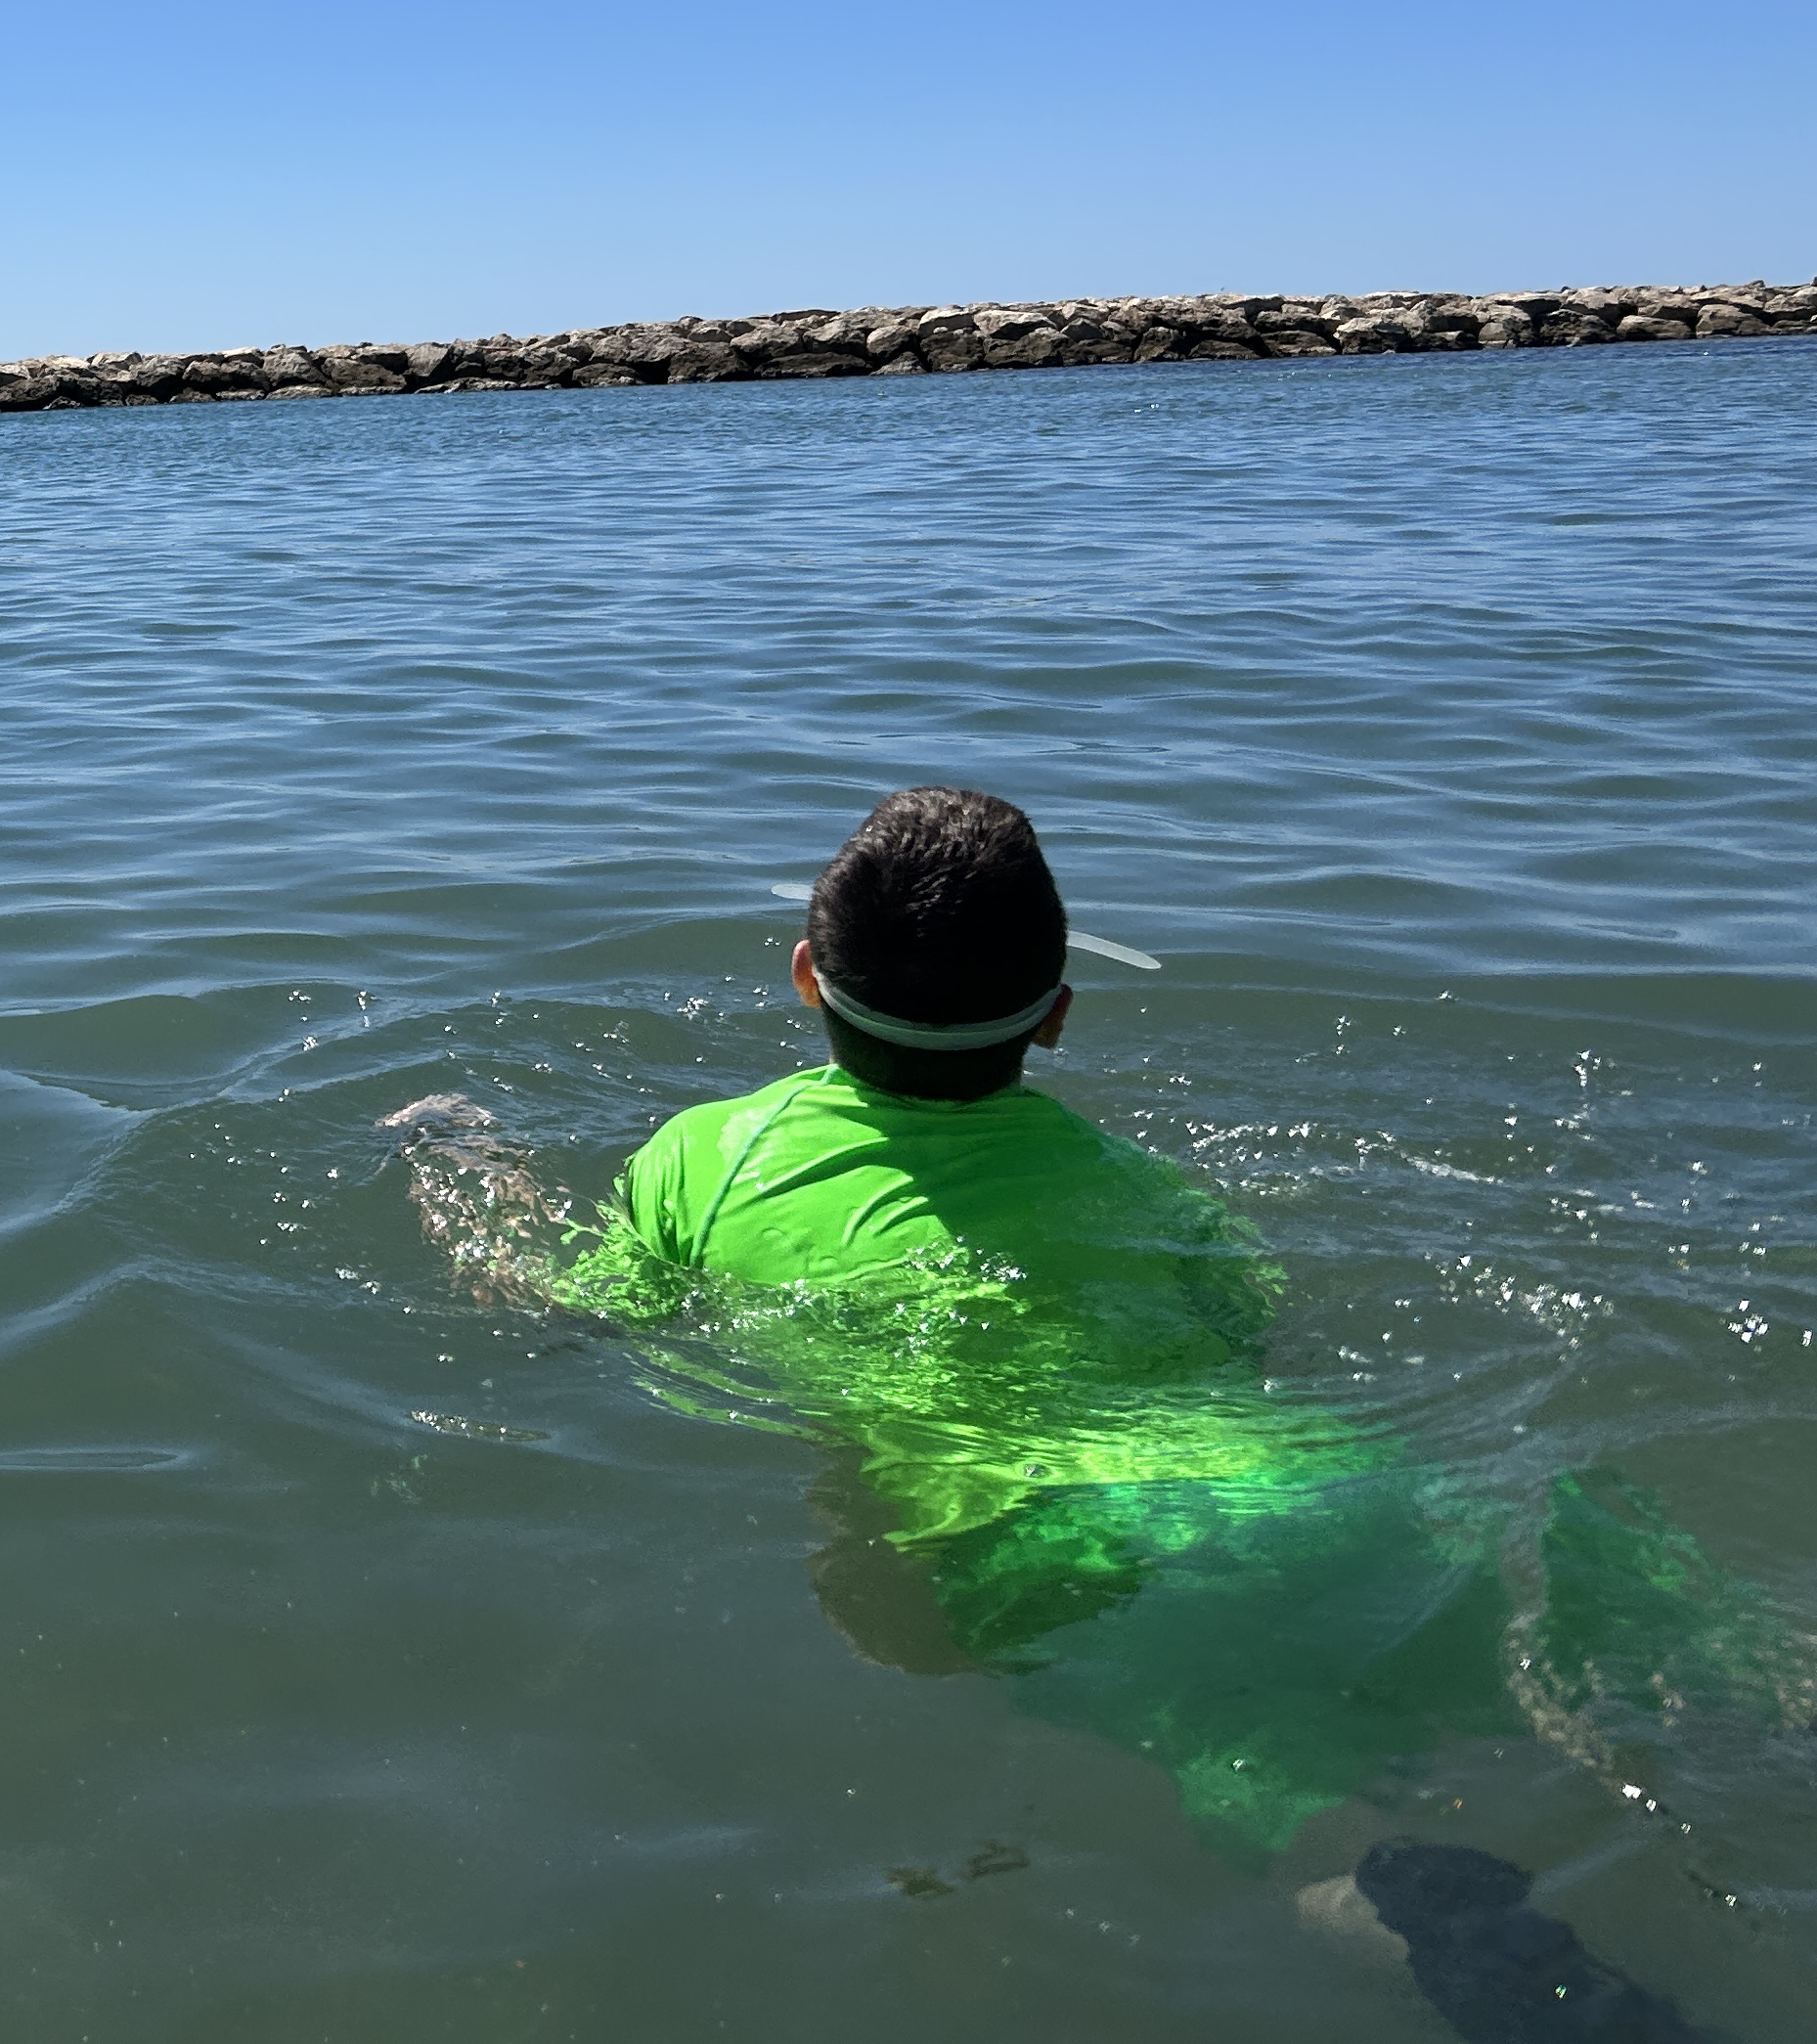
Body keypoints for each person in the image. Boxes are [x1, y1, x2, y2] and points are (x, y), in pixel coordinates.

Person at [392, 786, 1791, 2035]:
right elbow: (1248, 1337)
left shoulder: (707, 1157)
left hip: (1072, 1550)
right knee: (1678, 1684)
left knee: (1316, 1826)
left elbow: (558, 1310)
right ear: (1058, 1010)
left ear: (808, 976)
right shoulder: (1156, 1191)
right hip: (1352, 1491)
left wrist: (476, 1171)